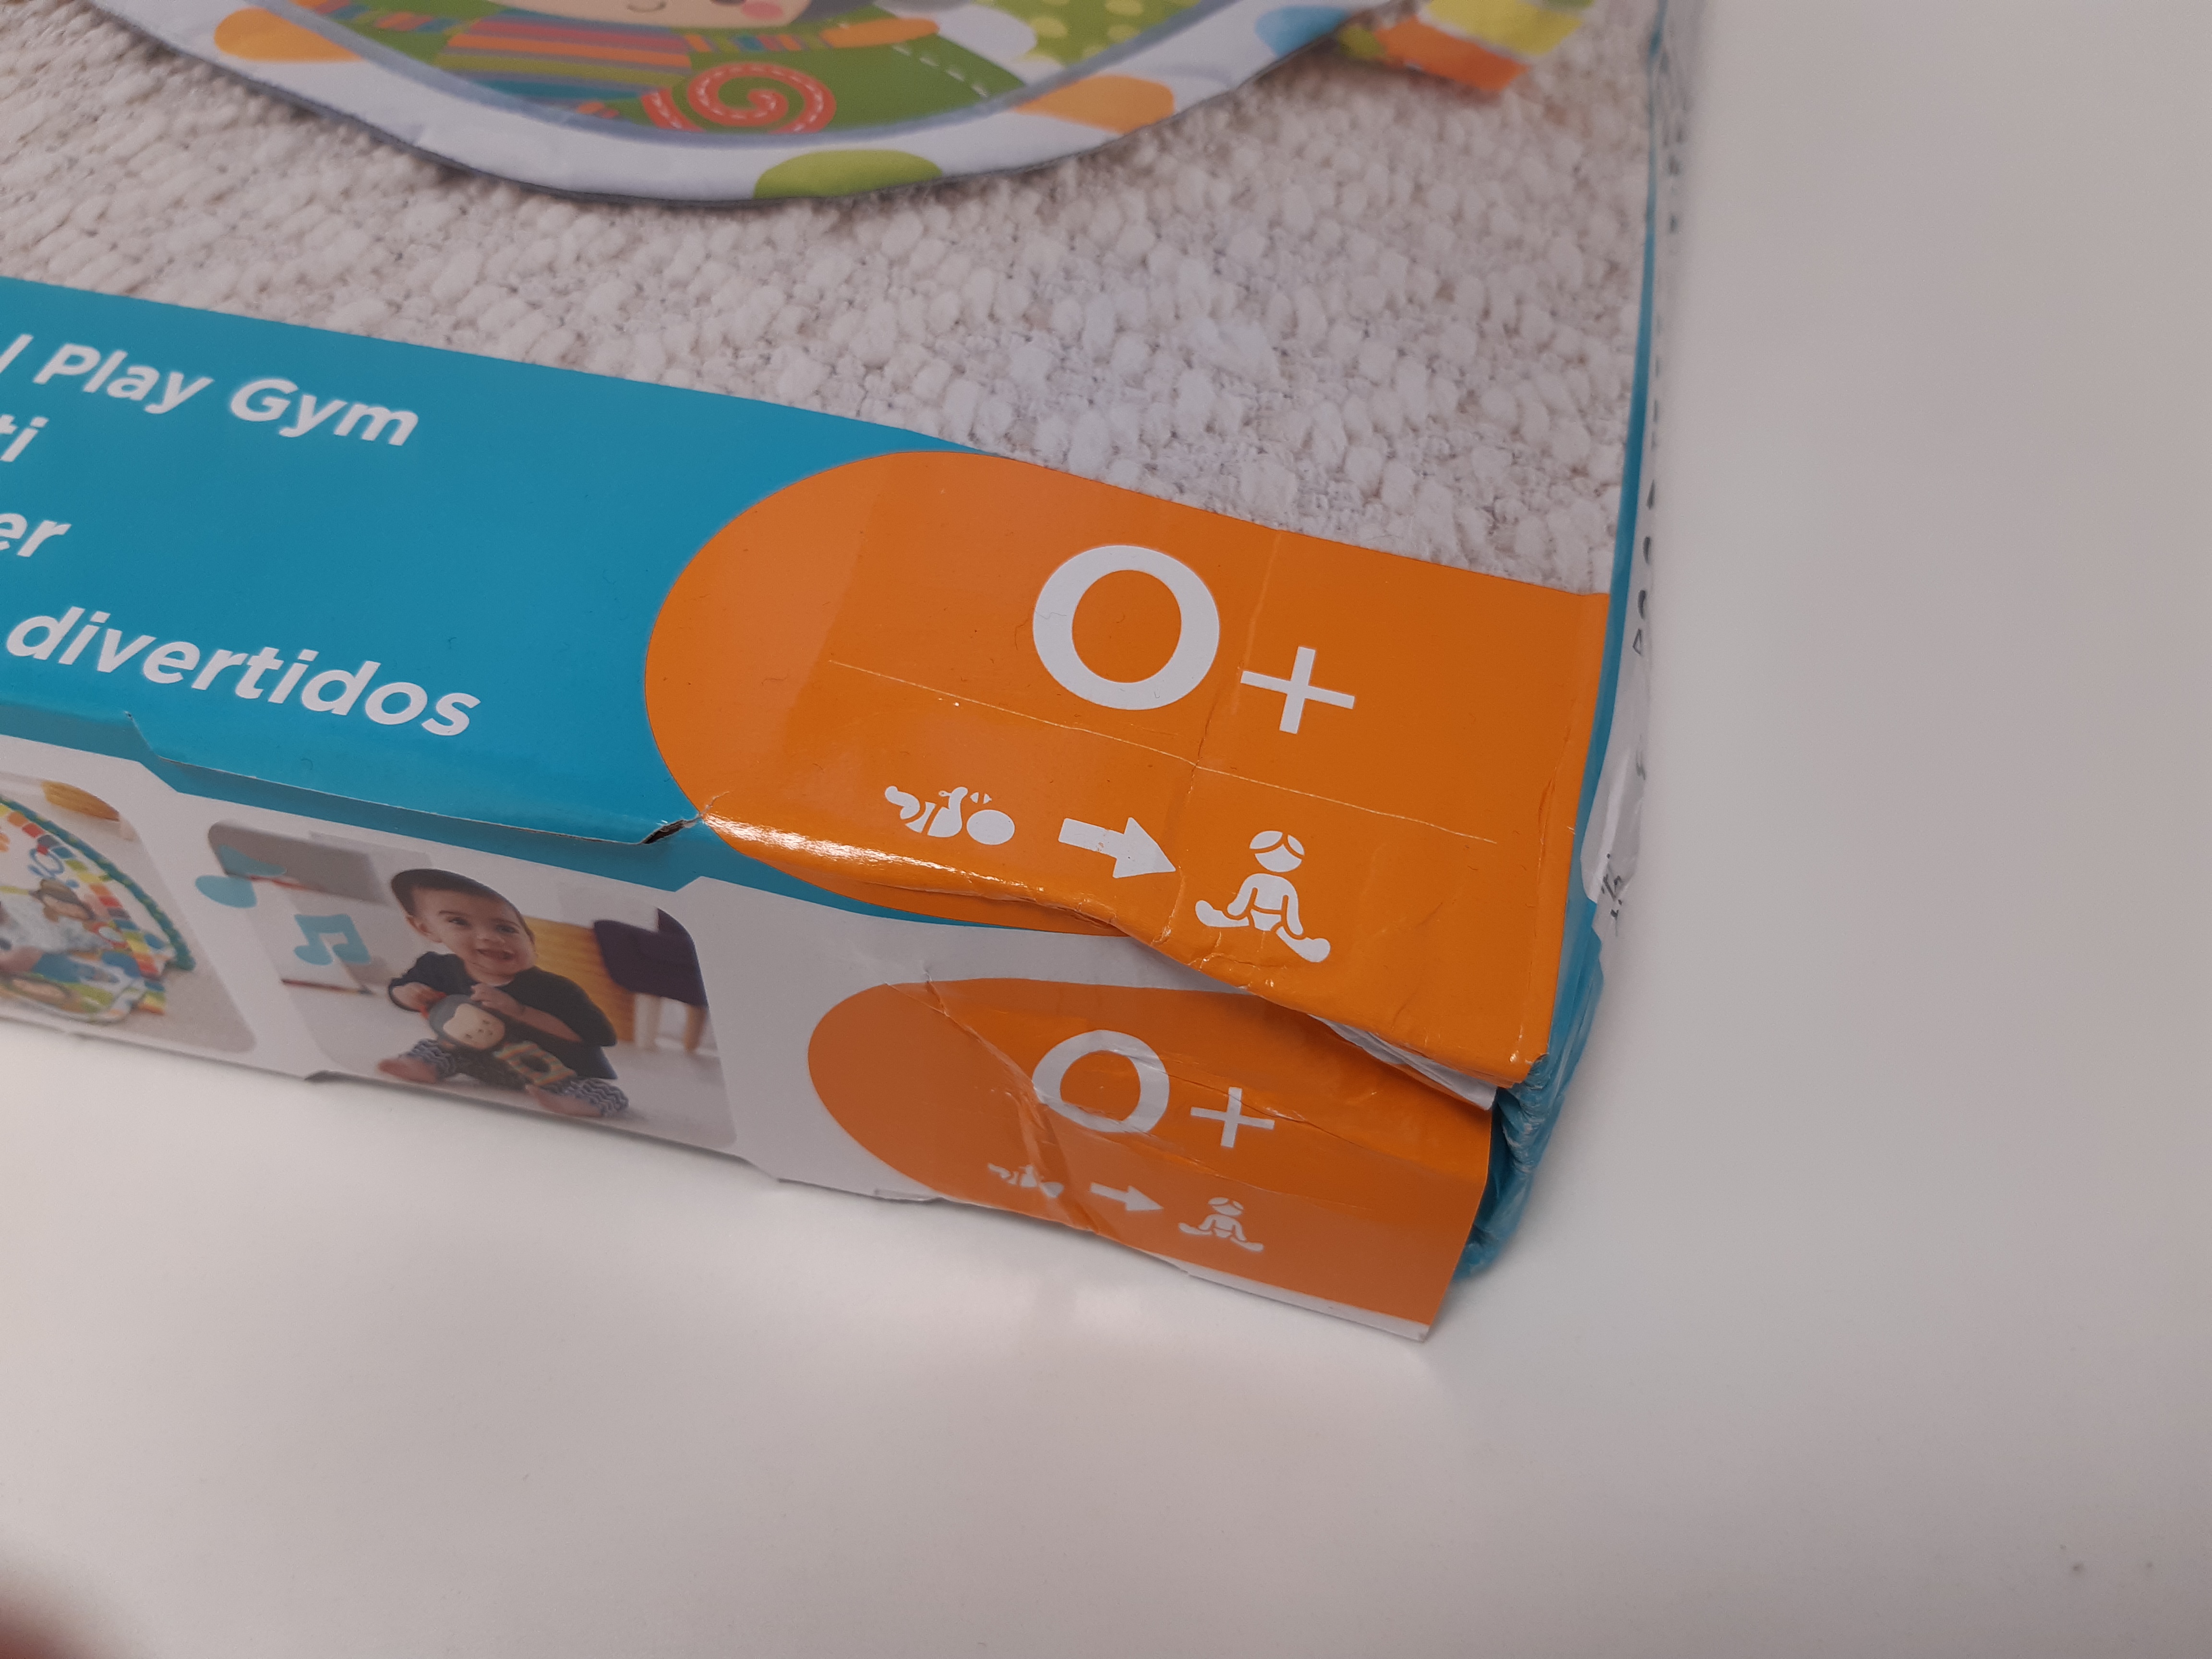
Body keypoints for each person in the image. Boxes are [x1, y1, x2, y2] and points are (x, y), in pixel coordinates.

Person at [374, 868, 630, 1118]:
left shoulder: (557, 989)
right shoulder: (436, 969)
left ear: (531, 941)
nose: (490, 937)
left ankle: (578, 1103)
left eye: (505, 928)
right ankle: (424, 1067)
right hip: (474, 1059)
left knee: (601, 1092)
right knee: (435, 1049)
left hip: (553, 1069)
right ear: (426, 929)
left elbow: (595, 1036)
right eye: (459, 922)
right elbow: (397, 989)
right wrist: (407, 994)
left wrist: (521, 1012)